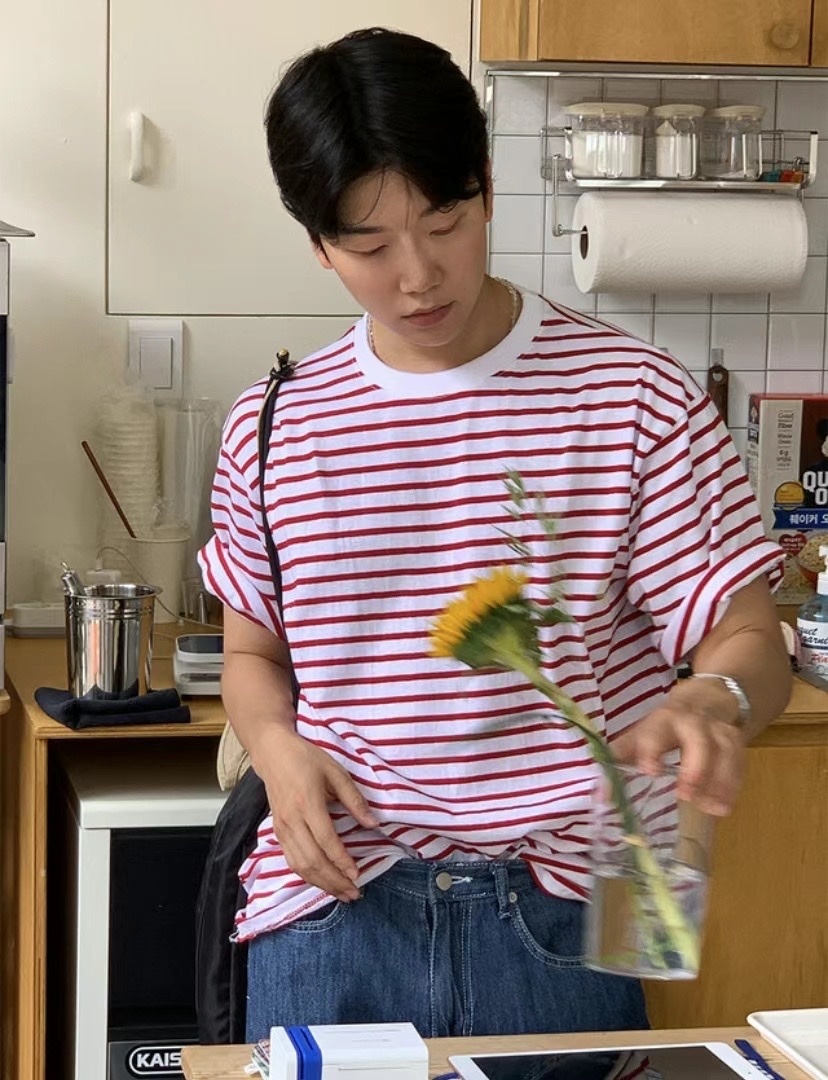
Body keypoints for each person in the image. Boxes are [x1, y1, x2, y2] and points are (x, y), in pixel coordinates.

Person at [198, 27, 791, 1043]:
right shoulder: (276, 425)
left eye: (447, 221)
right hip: (334, 909)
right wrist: (278, 751)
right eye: (370, 247)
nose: (419, 276)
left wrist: (715, 697)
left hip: (562, 913)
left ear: (486, 182)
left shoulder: (634, 398)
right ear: (317, 242)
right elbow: (253, 655)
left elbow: (748, 640)